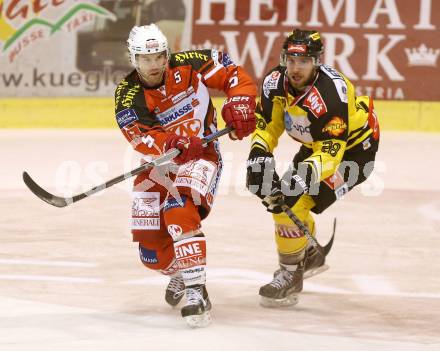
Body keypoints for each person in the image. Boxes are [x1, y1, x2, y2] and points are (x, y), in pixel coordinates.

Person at [114, 24, 257, 327]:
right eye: (145, 59)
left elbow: (233, 74)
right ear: (133, 59)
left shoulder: (190, 63)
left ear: (167, 54)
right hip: (159, 164)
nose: (153, 65)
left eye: (158, 57)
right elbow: (140, 136)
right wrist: (171, 142)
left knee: (179, 211)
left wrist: (240, 100)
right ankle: (183, 270)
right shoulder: (127, 95)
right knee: (151, 253)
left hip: (202, 154)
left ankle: (196, 291)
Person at [246, 29, 380, 307]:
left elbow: (333, 151)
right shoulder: (274, 82)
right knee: (283, 202)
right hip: (316, 146)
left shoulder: (332, 93)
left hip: (354, 154)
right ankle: (307, 251)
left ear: (317, 61)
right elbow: (268, 125)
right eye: (291, 60)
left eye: (303, 61)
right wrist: (259, 153)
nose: (295, 68)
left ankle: (292, 272)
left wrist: (300, 177)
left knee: (291, 202)